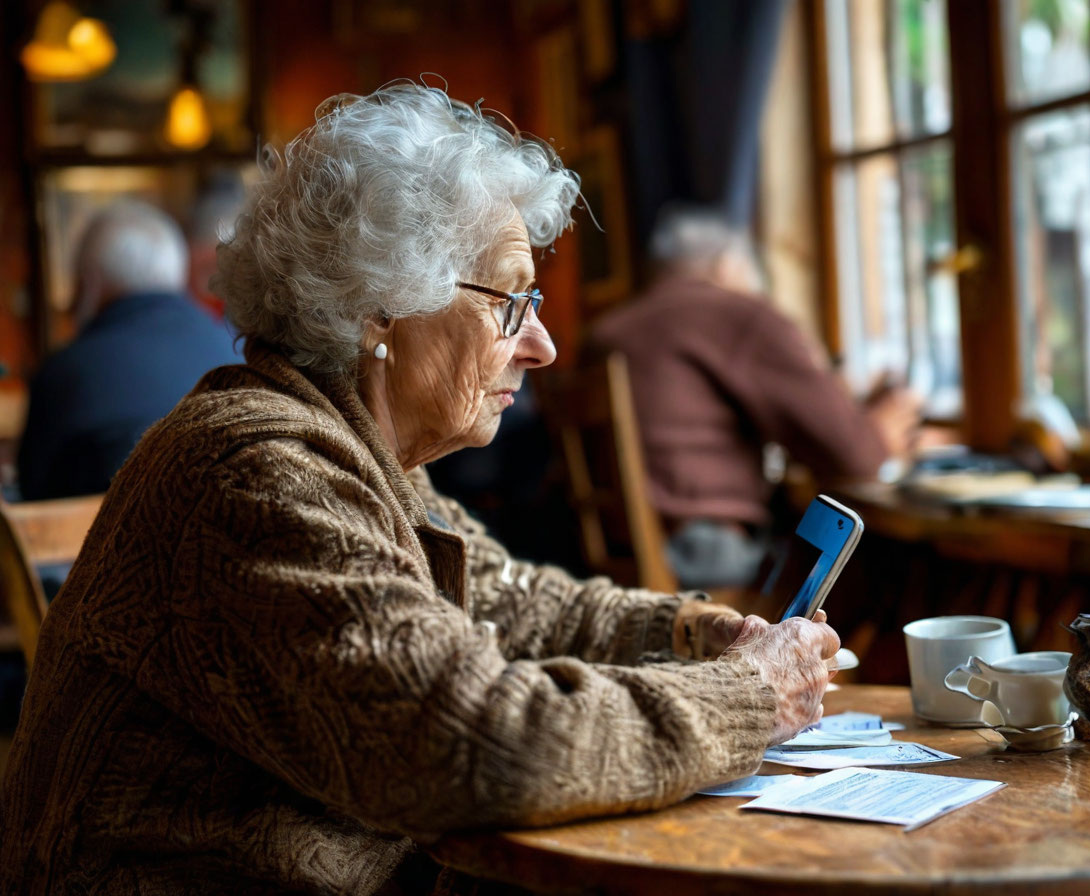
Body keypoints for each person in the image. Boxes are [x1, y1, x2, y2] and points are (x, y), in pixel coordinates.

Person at [0, 84, 839, 895]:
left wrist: (697, 631)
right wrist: (747, 694)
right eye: (510, 300)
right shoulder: (252, 469)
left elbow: (513, 604)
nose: (541, 344)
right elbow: (473, 743)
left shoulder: (360, 456)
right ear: (378, 309)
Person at [588, 206, 922, 589]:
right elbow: (857, 457)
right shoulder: (737, 315)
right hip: (706, 555)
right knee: (877, 567)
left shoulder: (604, 333)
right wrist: (886, 424)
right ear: (729, 266)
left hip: (612, 555)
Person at [17, 199, 241, 500]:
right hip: (222, 538)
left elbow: (34, 496)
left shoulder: (63, 373)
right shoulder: (232, 350)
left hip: (95, 544)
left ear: (91, 283)